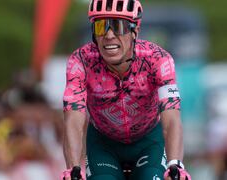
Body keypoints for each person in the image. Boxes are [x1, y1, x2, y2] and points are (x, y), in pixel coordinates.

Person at [62, 0, 191, 179]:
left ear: (134, 31)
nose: (109, 35)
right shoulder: (81, 62)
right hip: (103, 143)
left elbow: (172, 119)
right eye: (101, 27)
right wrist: (73, 169)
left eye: (117, 26)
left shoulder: (158, 59)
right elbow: (74, 120)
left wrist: (175, 164)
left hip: (148, 140)